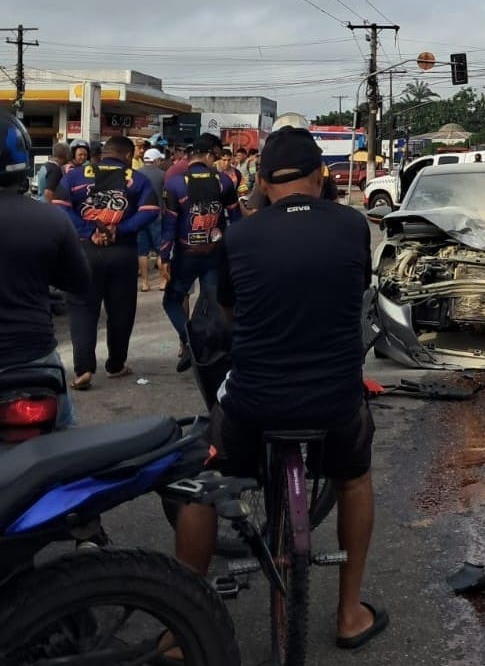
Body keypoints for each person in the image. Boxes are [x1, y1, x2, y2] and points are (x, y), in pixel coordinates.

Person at [173, 126, 387, 650]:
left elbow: (225, 312)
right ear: (321, 176)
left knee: (204, 479)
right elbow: (354, 289)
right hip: (335, 400)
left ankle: (178, 631)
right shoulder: (353, 225)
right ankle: (347, 613)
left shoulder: (240, 237)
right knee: (354, 479)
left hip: (253, 402)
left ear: (263, 183)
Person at [0, 111, 90, 427]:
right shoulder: (50, 219)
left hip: (31, 360)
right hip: (32, 358)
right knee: (64, 450)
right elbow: (79, 282)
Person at [53, 135, 158, 390]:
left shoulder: (76, 175)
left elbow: (58, 206)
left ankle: (83, 370)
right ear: (126, 155)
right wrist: (117, 230)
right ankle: (115, 364)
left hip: (84, 252)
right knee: (121, 310)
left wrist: (88, 230)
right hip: (121, 252)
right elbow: (150, 211)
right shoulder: (137, 178)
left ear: (103, 153)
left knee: (82, 310)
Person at [161, 134, 241, 372]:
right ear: (208, 156)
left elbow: (169, 225)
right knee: (215, 303)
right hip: (216, 253)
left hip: (186, 253)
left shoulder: (176, 183)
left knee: (172, 301)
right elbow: (235, 219)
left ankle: (190, 342)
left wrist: (164, 257)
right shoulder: (224, 181)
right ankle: (218, 350)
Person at [137, 148, 169, 291]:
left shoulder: (136, 174)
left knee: (142, 251)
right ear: (156, 160)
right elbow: (166, 196)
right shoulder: (163, 175)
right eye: (160, 160)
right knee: (160, 249)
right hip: (157, 214)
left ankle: (144, 283)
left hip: (140, 215)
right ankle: (162, 281)